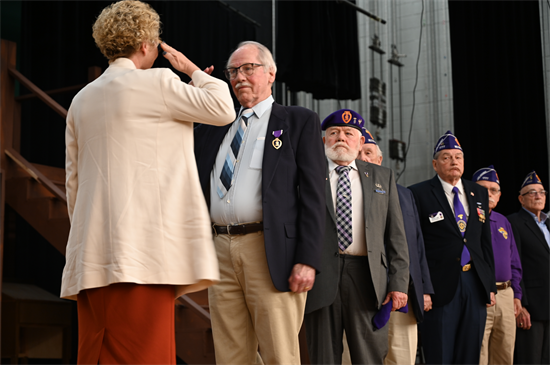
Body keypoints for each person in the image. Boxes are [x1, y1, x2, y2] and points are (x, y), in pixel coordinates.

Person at [60, 1, 236, 363]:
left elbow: (73, 183)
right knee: (146, 354)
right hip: (142, 253)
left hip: (92, 255)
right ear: (145, 45)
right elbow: (223, 109)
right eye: (156, 43)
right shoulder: (158, 81)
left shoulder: (81, 100)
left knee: (98, 352)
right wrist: (190, 70)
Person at [193, 41, 325, 364]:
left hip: (269, 251)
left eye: (248, 68)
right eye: (233, 71)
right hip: (219, 249)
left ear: (271, 73)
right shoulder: (215, 127)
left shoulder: (298, 121)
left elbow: (314, 196)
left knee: (280, 353)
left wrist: (307, 258)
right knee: (230, 354)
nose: (239, 77)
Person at [304, 109, 409, 365]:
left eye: (349, 133)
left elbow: (395, 234)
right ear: (324, 140)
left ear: (361, 142)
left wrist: (399, 283)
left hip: (367, 276)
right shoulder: (307, 173)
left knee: (369, 354)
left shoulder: (381, 176)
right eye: (334, 133)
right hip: (319, 275)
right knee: (323, 356)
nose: (341, 137)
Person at [408, 131, 496, 365]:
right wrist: (423, 287)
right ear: (435, 165)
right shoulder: (417, 193)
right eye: (446, 157)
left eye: (458, 156)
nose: (454, 161)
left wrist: (489, 285)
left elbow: (484, 242)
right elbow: (415, 244)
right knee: (440, 352)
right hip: (439, 285)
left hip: (474, 284)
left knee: (470, 352)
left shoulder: (479, 193)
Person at [357, 131, 434, 365]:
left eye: (368, 152)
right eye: (359, 153)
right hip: (362, 291)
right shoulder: (344, 192)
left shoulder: (404, 193)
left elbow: (416, 242)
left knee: (402, 356)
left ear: (380, 160)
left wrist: (425, 288)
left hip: (403, 292)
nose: (364, 157)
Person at [472, 165, 522, 365]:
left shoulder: (503, 221)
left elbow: (514, 263)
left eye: (494, 190)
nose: (489, 194)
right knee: (479, 355)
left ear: (500, 196)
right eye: (483, 189)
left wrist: (517, 295)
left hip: (506, 296)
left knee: (505, 354)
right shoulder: (466, 218)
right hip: (478, 294)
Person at [508, 171, 550, 365]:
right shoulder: (514, 222)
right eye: (532, 192)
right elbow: (514, 264)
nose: (538, 196)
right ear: (521, 199)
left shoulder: (549, 223)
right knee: (531, 359)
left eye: (541, 192)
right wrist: (521, 304)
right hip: (532, 305)